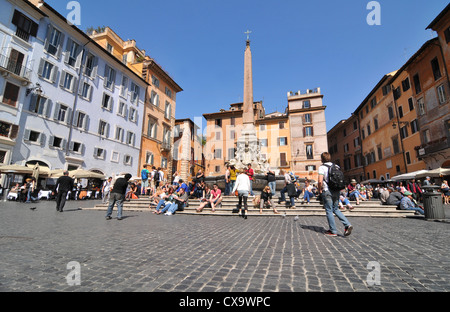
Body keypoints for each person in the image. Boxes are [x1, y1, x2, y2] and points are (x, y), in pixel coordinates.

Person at [318, 152, 353, 237]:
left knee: (329, 210)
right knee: (336, 209)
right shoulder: (336, 166)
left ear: (322, 159)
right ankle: (347, 224)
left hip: (327, 190)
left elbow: (320, 181)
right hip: (336, 190)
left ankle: (333, 231)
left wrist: (319, 190)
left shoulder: (322, 167)